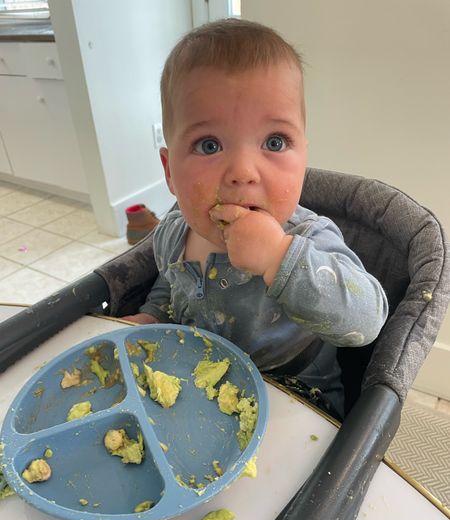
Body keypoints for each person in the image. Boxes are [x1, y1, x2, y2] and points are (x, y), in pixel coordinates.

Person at [123, 18, 388, 420]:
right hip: (199, 397)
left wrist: (280, 257)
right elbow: (171, 285)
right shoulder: (174, 234)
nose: (243, 171)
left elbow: (367, 321)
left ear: (304, 160)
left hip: (297, 401)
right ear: (169, 172)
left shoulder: (309, 238)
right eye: (209, 145)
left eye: (275, 142)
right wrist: (153, 315)